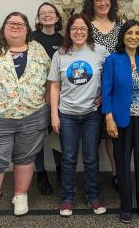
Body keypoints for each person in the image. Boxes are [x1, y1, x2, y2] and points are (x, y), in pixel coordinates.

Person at [48, 13, 108, 217]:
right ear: (69, 32)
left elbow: (111, 77)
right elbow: (54, 86)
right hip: (67, 115)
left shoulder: (100, 51)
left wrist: (104, 95)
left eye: (83, 28)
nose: (79, 32)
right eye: (75, 28)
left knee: (91, 159)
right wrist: (54, 115)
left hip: (92, 114)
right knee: (69, 158)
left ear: (89, 31)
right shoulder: (61, 54)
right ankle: (67, 198)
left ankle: (93, 196)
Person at [102, 20, 139, 224]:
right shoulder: (113, 60)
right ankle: (125, 206)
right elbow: (106, 91)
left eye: (137, 33)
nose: (133, 36)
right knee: (123, 165)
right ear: (123, 36)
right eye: (129, 33)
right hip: (120, 121)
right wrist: (108, 117)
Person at [0, 12, 51, 215]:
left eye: (21, 24)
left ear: (28, 29)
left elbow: (50, 79)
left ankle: (20, 195)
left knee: (25, 157)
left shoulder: (37, 49)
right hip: (0, 116)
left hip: (33, 114)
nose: (16, 26)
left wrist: (46, 104)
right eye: (11, 23)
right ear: (4, 27)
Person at [82, 0, 123, 189]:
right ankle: (92, 176)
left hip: (115, 89)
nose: (103, 2)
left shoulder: (120, 25)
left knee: (111, 133)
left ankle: (117, 173)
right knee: (93, 135)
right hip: (90, 89)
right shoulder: (85, 26)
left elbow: (125, 56)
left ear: (111, 0)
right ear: (92, 2)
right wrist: (96, 90)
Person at [33, 2, 63, 195]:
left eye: (50, 12)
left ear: (57, 17)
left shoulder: (64, 39)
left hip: (59, 96)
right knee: (37, 137)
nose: (46, 15)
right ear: (38, 18)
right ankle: (41, 173)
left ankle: (61, 171)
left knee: (57, 133)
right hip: (36, 97)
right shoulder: (32, 39)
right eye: (42, 13)